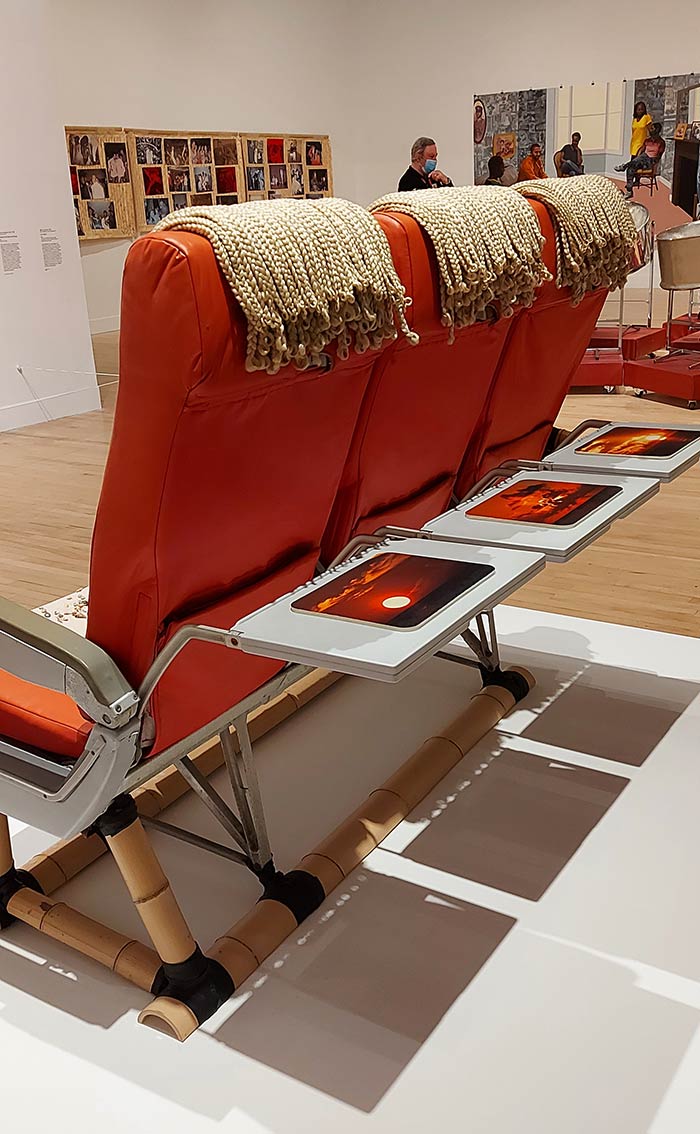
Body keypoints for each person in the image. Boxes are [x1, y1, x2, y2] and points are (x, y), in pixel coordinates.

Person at [614, 122, 665, 198]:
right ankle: (629, 191)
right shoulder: (647, 140)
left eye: (652, 128)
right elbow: (642, 150)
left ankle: (623, 166)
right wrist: (639, 156)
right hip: (643, 159)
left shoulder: (661, 142)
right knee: (630, 168)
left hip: (651, 161)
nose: (650, 130)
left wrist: (652, 162)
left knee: (638, 160)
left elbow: (659, 156)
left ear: (657, 130)